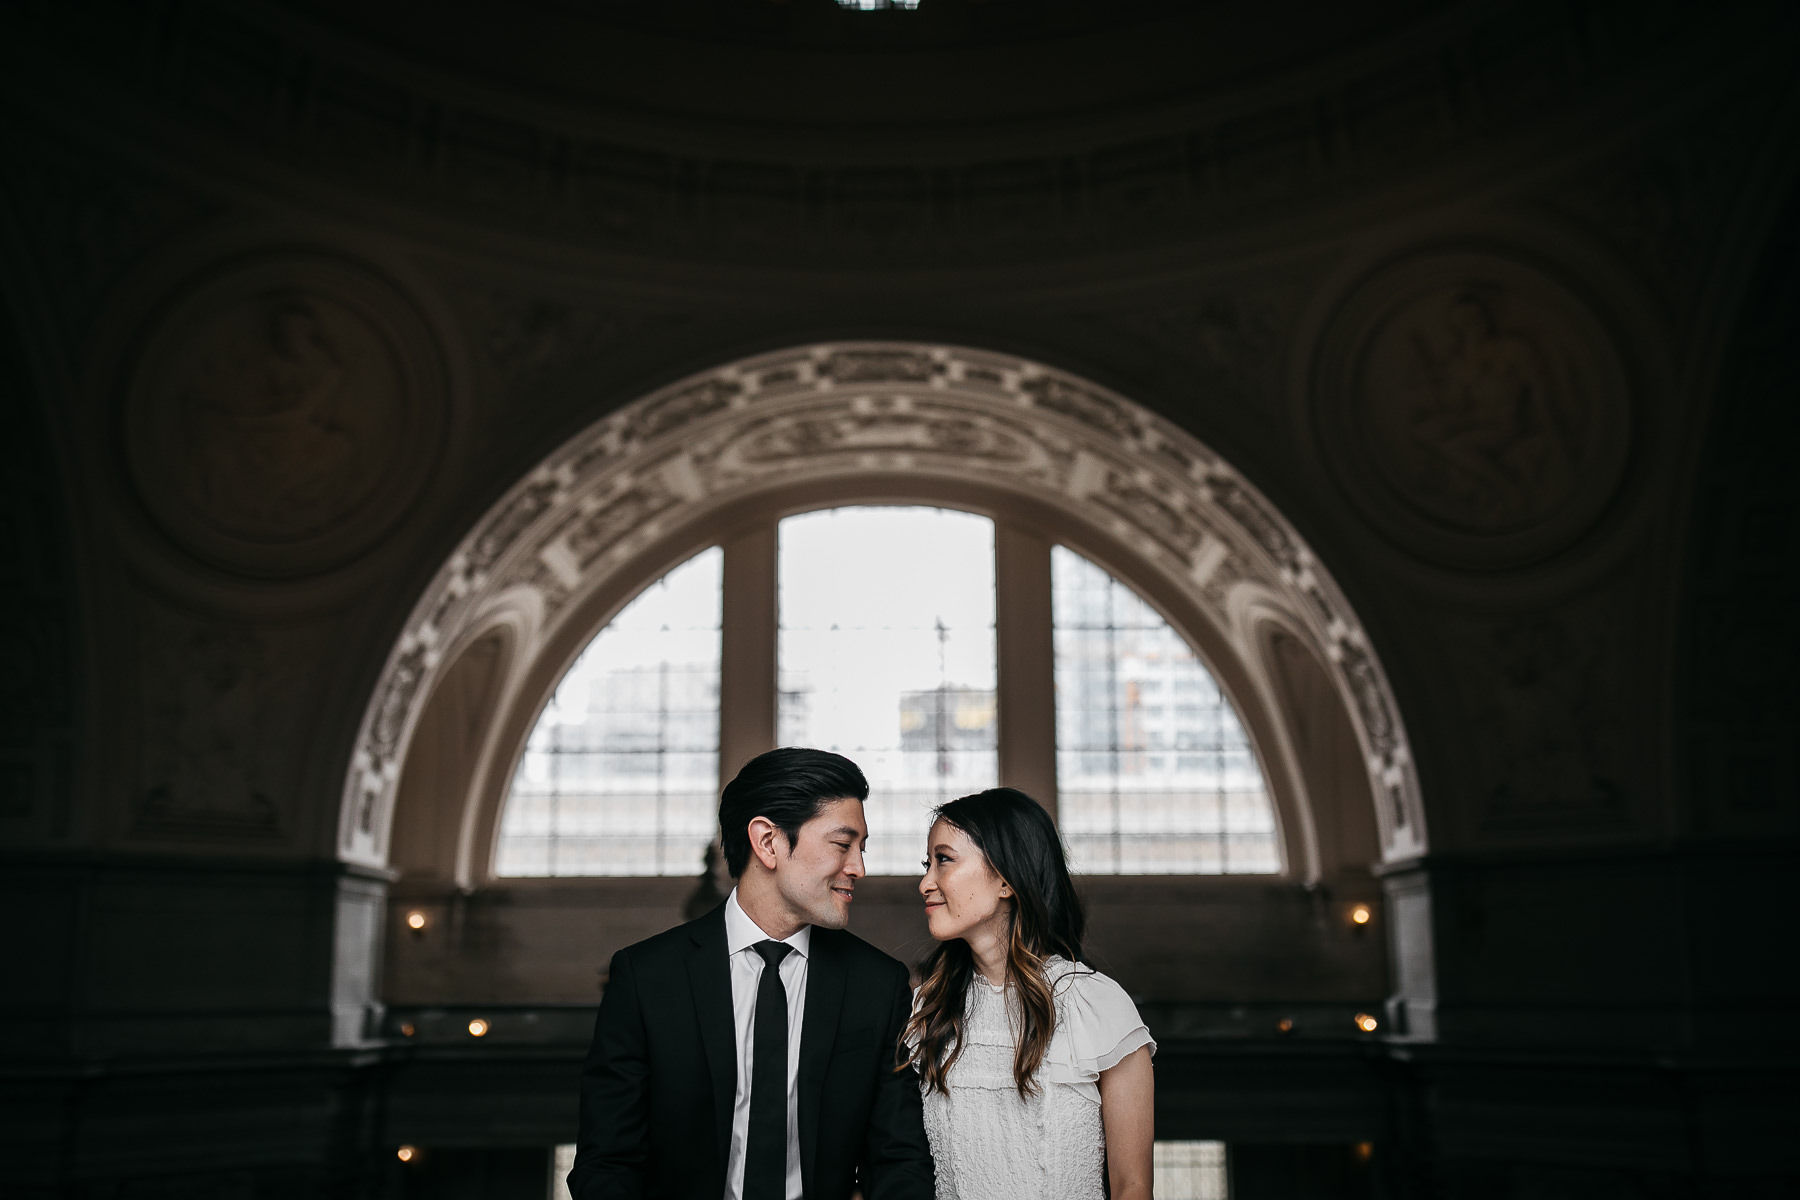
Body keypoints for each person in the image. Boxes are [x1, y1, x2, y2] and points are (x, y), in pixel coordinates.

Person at [570, 747, 936, 1200]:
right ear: (767, 842)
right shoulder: (646, 978)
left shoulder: (877, 984)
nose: (858, 868)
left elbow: (898, 1160)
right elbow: (607, 1162)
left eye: (861, 848)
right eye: (843, 845)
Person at [905, 788, 1155, 1200]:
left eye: (944, 860)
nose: (925, 883)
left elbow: (1133, 1187)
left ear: (1005, 879)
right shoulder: (925, 1010)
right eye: (927, 864)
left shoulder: (1095, 1006)